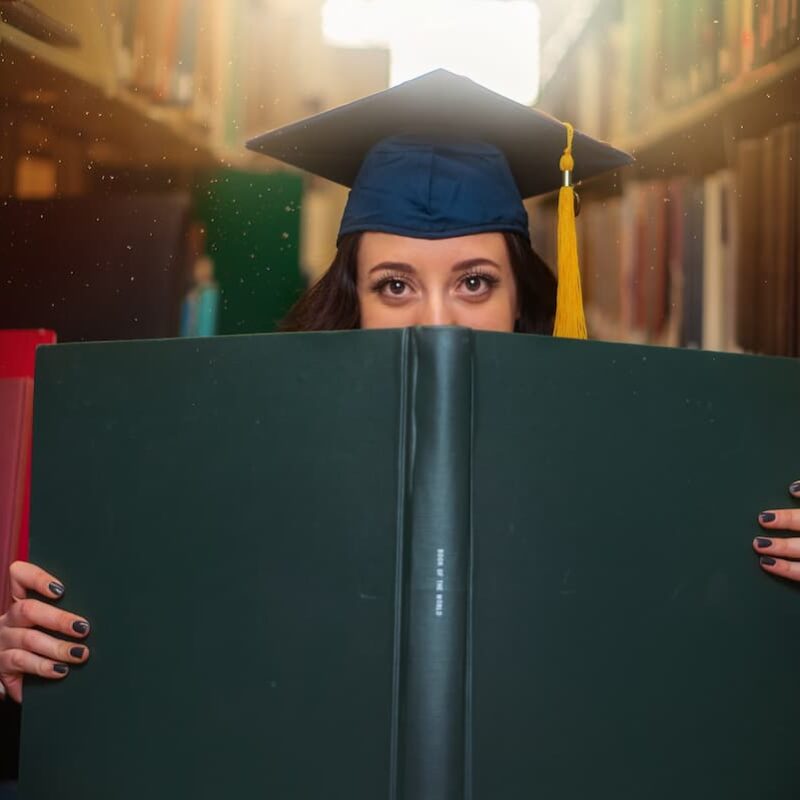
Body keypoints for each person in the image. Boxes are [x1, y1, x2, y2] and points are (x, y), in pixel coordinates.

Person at [0, 69, 794, 703]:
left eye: (476, 283)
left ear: (525, 299)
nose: (437, 320)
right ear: (353, 300)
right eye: (396, 285)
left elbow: (690, 665)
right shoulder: (241, 462)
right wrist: (48, 660)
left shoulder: (635, 462)